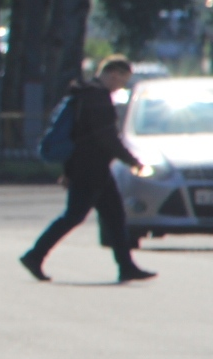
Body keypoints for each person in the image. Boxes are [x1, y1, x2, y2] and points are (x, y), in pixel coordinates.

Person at [20, 56, 156, 282]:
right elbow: (107, 138)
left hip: (91, 168)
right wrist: (133, 162)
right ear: (114, 74)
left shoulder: (84, 94)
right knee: (74, 216)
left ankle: (127, 266)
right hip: (90, 170)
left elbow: (77, 135)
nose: (122, 86)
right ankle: (35, 255)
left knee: (114, 216)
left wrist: (68, 169)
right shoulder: (97, 97)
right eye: (123, 81)